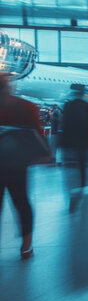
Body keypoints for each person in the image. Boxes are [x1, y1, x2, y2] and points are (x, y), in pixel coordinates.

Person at [0, 74, 40, 259]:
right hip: (17, 162)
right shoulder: (26, 106)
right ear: (10, 87)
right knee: (22, 202)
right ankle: (26, 246)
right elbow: (37, 133)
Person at [61, 84, 88, 212]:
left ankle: (71, 193)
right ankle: (83, 189)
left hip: (70, 143)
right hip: (83, 143)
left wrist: (63, 142)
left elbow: (64, 125)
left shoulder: (68, 106)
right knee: (83, 167)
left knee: (70, 169)